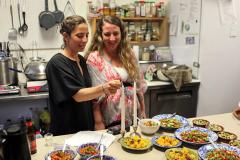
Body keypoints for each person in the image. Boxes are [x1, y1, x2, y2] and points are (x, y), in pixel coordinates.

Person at [45, 15, 121, 136]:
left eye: (87, 35)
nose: (85, 40)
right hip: (67, 131)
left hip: (85, 129)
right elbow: (78, 95)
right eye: (80, 36)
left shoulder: (81, 60)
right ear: (65, 36)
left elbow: (90, 94)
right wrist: (104, 88)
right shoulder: (57, 63)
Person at [86, 15, 147, 130]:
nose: (112, 38)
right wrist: (99, 123)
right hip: (110, 118)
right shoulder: (94, 58)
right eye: (107, 34)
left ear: (122, 34)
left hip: (134, 115)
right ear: (100, 35)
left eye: (115, 33)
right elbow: (94, 98)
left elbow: (139, 86)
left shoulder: (129, 54)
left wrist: (143, 110)